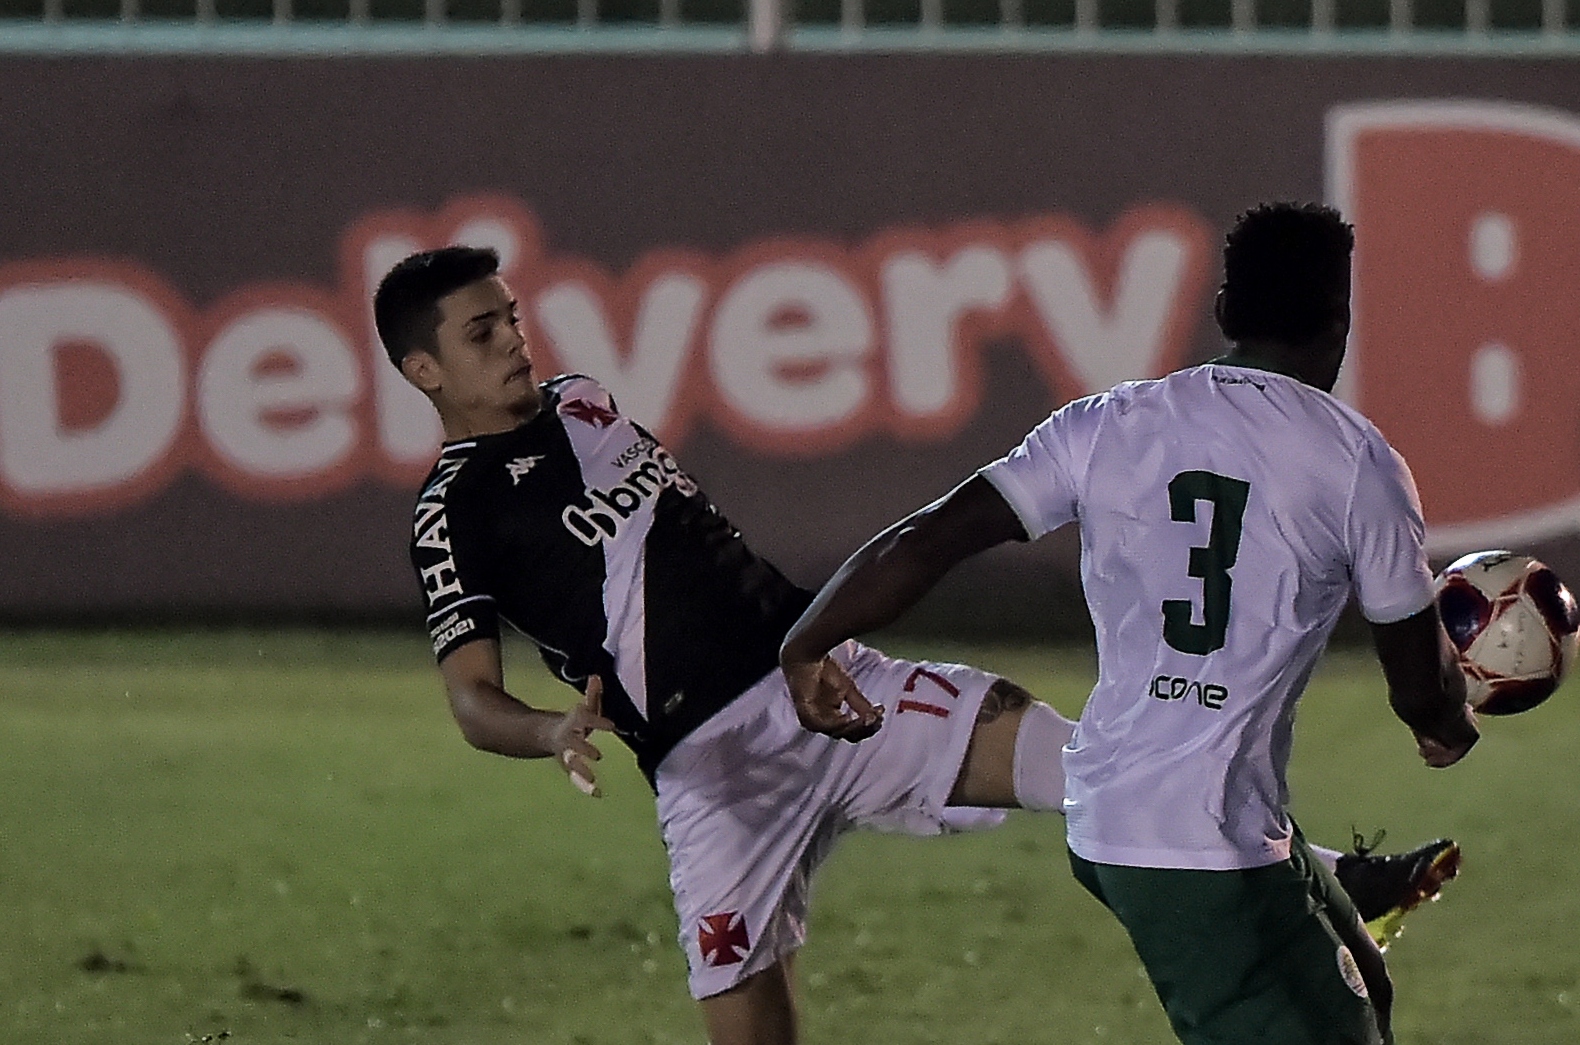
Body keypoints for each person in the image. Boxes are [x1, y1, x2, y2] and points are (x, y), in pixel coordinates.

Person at [376, 240, 1460, 1045]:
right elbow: (471, 695)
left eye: (510, 315)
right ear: (424, 372)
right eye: (481, 333)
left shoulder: (582, 402)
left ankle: (1326, 873)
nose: (515, 340)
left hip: (822, 681)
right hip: (714, 772)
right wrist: (545, 729)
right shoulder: (452, 511)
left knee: (1088, 764)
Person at [778, 202, 1480, 1045]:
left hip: (1114, 808)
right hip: (1200, 850)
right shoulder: (1359, 462)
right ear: (1341, 324)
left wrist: (807, 640)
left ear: (1224, 311)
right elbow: (1418, 688)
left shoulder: (1103, 423)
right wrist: (1450, 721)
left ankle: (1347, 890)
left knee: (1364, 974)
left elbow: (927, 540)